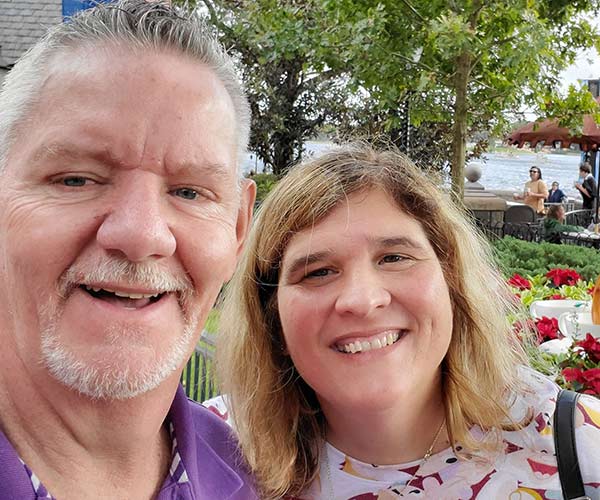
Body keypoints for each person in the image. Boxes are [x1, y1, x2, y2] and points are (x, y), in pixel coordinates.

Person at [214, 144, 600, 499]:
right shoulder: (208, 453)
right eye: (317, 272)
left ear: (451, 279)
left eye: (394, 258)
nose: (363, 301)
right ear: (272, 317)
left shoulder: (578, 444)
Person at [0, 1, 257, 498]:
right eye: (75, 179)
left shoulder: (256, 477)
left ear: (238, 228)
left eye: (189, 192)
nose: (142, 235)